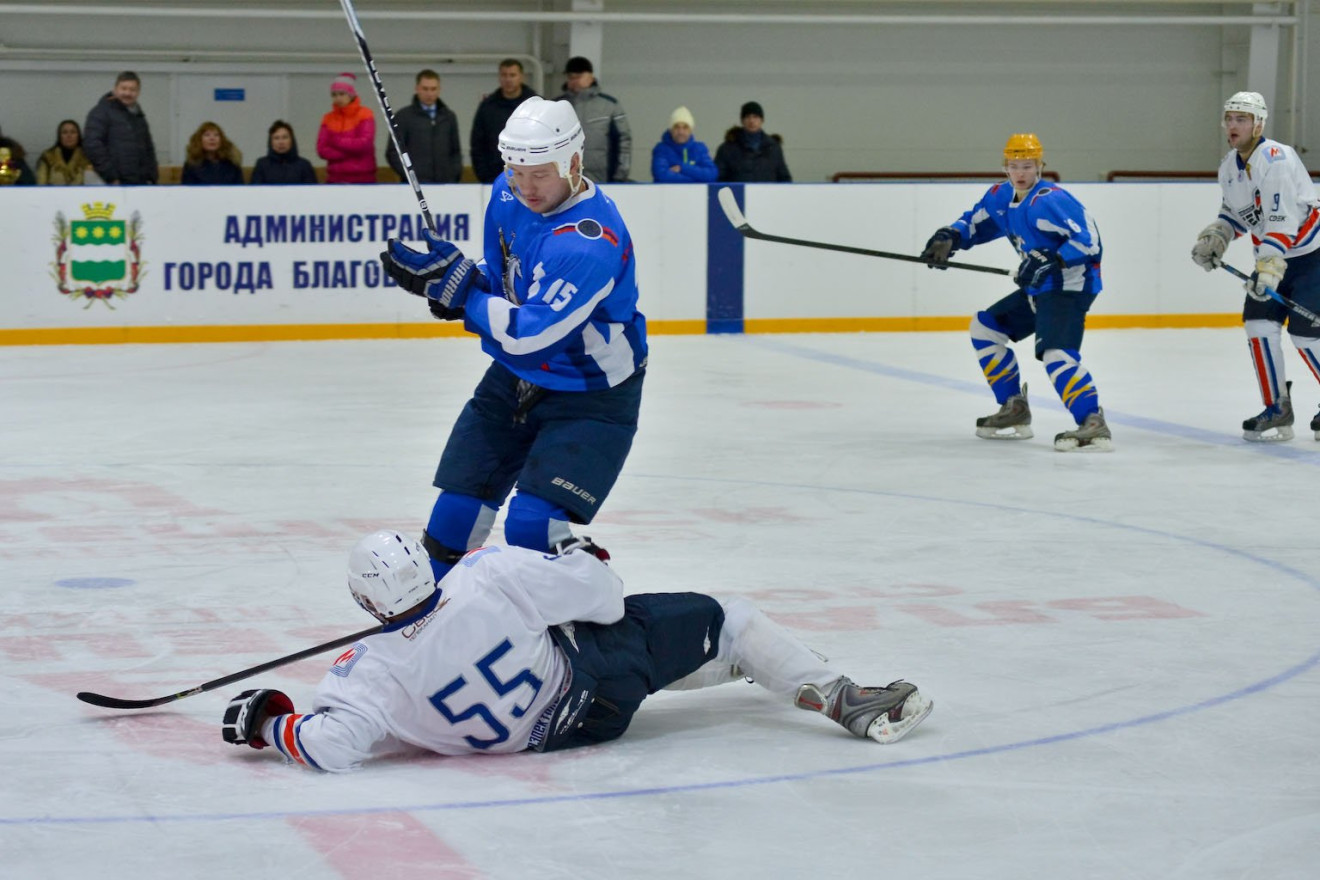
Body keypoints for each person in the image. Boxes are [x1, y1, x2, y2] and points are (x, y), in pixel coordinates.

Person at [221, 530, 934, 771]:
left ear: (363, 603)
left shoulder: (364, 673)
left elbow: (329, 748)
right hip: (600, 682)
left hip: (551, 741)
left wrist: (268, 725)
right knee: (731, 619)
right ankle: (843, 696)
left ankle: (758, 669)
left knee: (705, 644)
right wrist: (577, 557)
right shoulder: (483, 575)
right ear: (424, 566)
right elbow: (607, 599)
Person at [378, 96, 647, 583]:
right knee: (453, 516)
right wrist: (456, 280)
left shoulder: (587, 241)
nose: (526, 187)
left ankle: (584, 607)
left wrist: (462, 296)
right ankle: (429, 621)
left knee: (532, 526)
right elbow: (508, 278)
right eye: (516, 170)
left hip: (591, 393)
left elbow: (532, 335)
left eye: (540, 173)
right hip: (515, 378)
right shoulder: (506, 192)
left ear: (573, 161)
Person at [920, 133, 1111, 452]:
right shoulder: (999, 198)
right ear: (1005, 167)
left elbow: (1089, 241)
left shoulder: (1051, 199)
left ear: (1040, 166)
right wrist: (947, 238)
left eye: (1027, 165)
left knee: (1056, 354)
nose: (1021, 172)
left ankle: (1092, 420)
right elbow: (973, 224)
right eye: (1014, 165)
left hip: (1070, 286)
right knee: (985, 328)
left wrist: (1054, 258)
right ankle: (1014, 408)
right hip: (1038, 287)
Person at [1189, 91, 1320, 442]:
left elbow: (1281, 221)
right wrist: (1217, 236)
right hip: (1275, 258)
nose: (1233, 125)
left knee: (1306, 334)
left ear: (1258, 124)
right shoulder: (1229, 167)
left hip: (1311, 256)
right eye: (1229, 118)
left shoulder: (1275, 159)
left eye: (1241, 119)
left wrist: (1269, 270)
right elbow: (1235, 214)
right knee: (1259, 325)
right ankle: (1277, 407)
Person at [558, 56, 631, 183]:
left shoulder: (610, 105)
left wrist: (620, 176)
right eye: (571, 77)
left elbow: (623, 141)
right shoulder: (556, 106)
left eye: (578, 76)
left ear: (590, 77)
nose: (574, 81)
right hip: (563, 178)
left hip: (602, 178)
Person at [385, 69, 462, 184]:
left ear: (439, 90)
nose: (429, 93)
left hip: (445, 184)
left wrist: (453, 176)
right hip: (414, 186)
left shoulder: (449, 117)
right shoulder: (403, 116)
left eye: (433, 89)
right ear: (417, 89)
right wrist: (411, 175)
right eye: (425, 89)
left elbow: (455, 151)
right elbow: (394, 152)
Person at [83, 71, 158, 185]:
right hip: (113, 184)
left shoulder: (139, 117)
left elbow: (149, 148)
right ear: (115, 89)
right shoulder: (101, 112)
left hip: (140, 184)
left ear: (138, 92)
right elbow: (92, 145)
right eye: (124, 88)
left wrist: (152, 177)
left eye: (132, 90)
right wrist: (111, 177)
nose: (127, 93)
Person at [470, 58, 538, 184]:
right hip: (494, 176)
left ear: (521, 77)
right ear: (499, 77)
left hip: (530, 176)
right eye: (504, 75)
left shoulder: (535, 105)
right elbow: (478, 144)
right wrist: (484, 175)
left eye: (512, 75)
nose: (508, 79)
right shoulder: (487, 107)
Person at [316, 72, 377, 184]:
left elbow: (364, 144)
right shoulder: (327, 118)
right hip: (335, 178)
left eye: (342, 94)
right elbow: (321, 150)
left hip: (363, 178)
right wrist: (351, 152)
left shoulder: (365, 114)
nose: (338, 98)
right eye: (334, 95)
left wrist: (335, 141)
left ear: (351, 94)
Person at [715, 101, 791, 183]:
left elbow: (784, 177)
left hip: (768, 195)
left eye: (755, 117)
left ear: (762, 120)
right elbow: (719, 178)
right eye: (747, 117)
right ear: (742, 121)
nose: (751, 121)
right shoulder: (727, 148)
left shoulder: (774, 147)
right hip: (738, 195)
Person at [650, 106, 718, 183]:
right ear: (671, 130)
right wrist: (697, 179)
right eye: (676, 127)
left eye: (685, 127)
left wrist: (683, 168)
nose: (681, 132)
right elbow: (662, 176)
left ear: (690, 130)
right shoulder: (661, 149)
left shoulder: (699, 149)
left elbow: (711, 174)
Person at [249, 120, 317, 185]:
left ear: (292, 140)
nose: (281, 142)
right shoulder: (262, 165)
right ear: (271, 142)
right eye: (276, 138)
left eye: (285, 137)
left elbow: (312, 193)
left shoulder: (304, 165)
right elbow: (255, 193)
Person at [180, 121, 243, 185]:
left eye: (216, 135)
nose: (212, 138)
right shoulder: (192, 164)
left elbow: (240, 188)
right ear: (199, 140)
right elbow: (187, 190)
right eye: (207, 135)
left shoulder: (232, 163)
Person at [36, 120, 92, 185]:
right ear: (59, 136)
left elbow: (92, 185)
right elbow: (41, 183)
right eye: (65, 132)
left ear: (78, 135)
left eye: (73, 132)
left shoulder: (87, 157)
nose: (69, 135)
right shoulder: (47, 157)